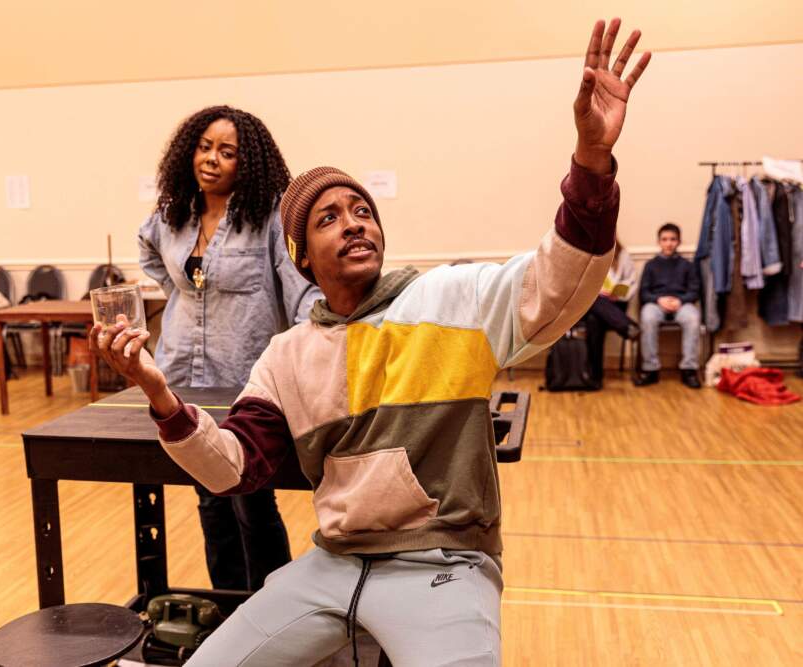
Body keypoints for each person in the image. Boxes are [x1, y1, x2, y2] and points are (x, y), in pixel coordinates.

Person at [95, 18, 649, 666]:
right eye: (329, 218)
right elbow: (232, 468)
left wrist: (591, 161)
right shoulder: (288, 356)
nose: (354, 223)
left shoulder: (452, 300)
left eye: (363, 212)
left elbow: (560, 282)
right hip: (332, 565)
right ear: (302, 256)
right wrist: (160, 394)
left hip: (445, 565)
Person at [138, 105, 321, 591]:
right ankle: (228, 603)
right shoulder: (173, 215)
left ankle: (272, 606)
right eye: (204, 147)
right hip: (183, 379)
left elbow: (301, 291)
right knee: (210, 500)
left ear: (249, 162)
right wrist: (187, 297)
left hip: (247, 383)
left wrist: (316, 348)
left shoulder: (269, 217)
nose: (211, 159)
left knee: (252, 501)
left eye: (226, 151)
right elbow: (150, 253)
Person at [634, 223, 702, 388]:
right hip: (656, 304)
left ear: (678, 241)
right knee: (647, 317)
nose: (669, 243)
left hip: (682, 304)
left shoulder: (687, 265)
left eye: (673, 239)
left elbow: (694, 291)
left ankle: (689, 370)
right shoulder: (651, 265)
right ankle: (650, 369)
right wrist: (659, 300)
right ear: (659, 242)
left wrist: (680, 301)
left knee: (693, 318)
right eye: (665, 239)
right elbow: (644, 293)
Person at [581, 237, 639, 387]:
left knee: (594, 321)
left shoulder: (622, 255)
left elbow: (632, 281)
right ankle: (627, 326)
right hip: (591, 303)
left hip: (616, 304)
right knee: (594, 302)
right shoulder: (584, 254)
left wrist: (617, 294)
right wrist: (598, 291)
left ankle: (595, 377)